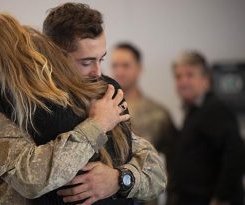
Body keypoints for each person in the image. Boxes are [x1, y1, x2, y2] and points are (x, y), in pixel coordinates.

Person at [43, 3, 165, 204]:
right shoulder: (26, 105)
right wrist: (97, 125)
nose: (98, 73)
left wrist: (119, 179)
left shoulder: (106, 95)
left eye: (101, 60)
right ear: (56, 56)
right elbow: (33, 179)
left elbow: (156, 172)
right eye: (86, 62)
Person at [167, 51, 245, 205]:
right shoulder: (195, 111)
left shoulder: (215, 110)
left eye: (190, 75)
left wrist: (221, 198)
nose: (183, 81)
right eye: (178, 76)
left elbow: (236, 154)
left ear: (206, 79)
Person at [110, 42, 177, 155]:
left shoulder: (158, 114)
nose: (119, 72)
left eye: (125, 65)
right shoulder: (102, 109)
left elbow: (173, 156)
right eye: (115, 65)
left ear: (139, 68)